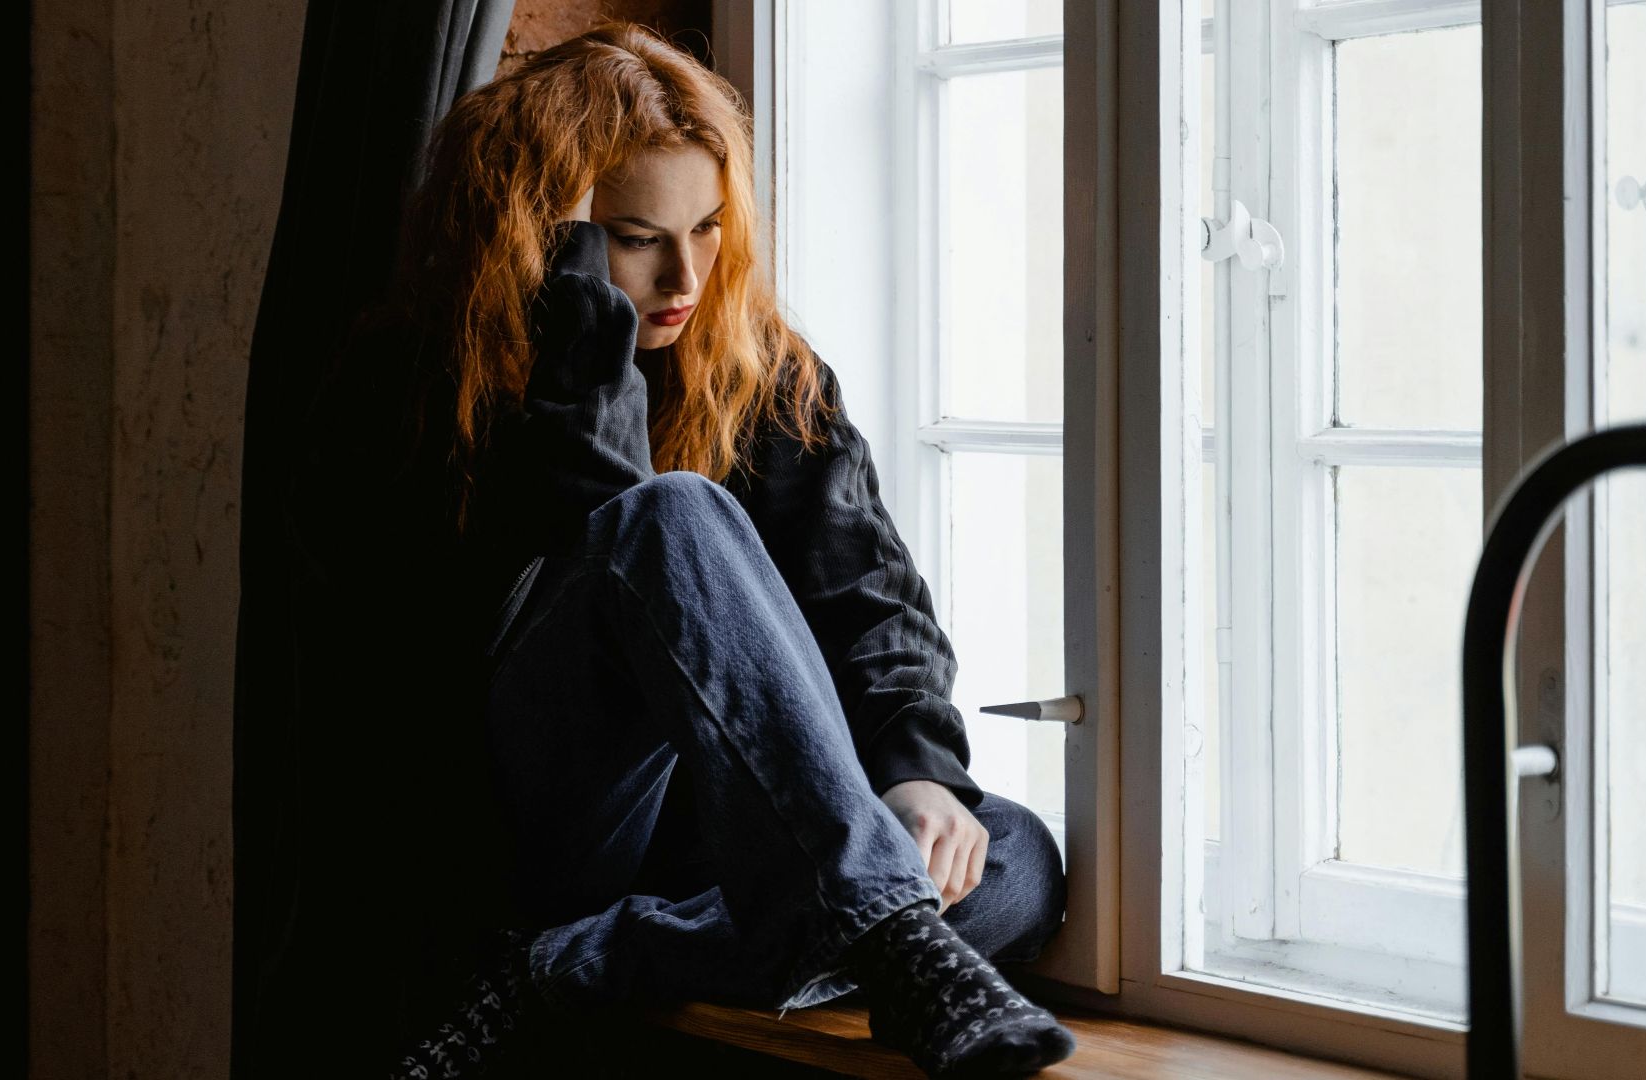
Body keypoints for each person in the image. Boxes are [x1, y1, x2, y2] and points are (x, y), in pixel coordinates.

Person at [286, 20, 1074, 1079]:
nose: (685, 274)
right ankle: (862, 934)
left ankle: (590, 964)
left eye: (707, 228)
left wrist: (917, 771)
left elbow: (870, 603)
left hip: (717, 854)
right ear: (541, 232)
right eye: (632, 235)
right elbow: (586, 549)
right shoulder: (415, 381)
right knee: (671, 516)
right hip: (535, 828)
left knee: (1012, 856)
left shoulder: (763, 369)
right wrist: (578, 322)